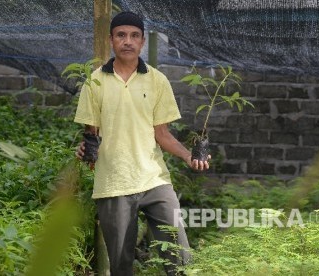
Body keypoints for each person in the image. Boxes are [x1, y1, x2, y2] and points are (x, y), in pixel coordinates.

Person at [74, 11, 210, 276]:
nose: (128, 41)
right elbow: (92, 135)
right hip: (114, 184)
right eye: (121, 35)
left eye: (134, 36)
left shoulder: (157, 80)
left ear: (142, 42)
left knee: (180, 260)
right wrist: (85, 150)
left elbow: (163, 134)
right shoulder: (95, 82)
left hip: (155, 181)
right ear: (111, 40)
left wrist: (188, 156)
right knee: (121, 266)